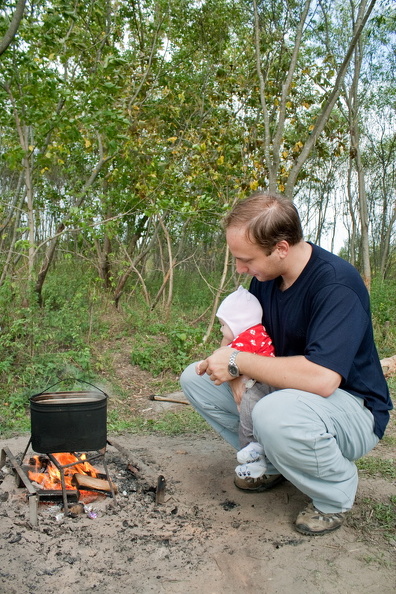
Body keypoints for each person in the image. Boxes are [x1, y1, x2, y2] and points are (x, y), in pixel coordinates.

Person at [180, 191, 392, 536]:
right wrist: (233, 368)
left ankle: (335, 492)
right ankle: (272, 463)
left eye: (246, 259)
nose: (240, 268)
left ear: (281, 248)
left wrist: (238, 361)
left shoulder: (336, 284)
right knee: (196, 377)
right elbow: (238, 339)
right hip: (287, 393)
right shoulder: (265, 279)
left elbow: (323, 379)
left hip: (354, 409)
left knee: (272, 412)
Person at [196, 285, 275, 480]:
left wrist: (205, 364)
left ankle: (252, 451)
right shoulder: (250, 334)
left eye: (224, 325)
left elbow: (222, 357)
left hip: (263, 384)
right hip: (259, 380)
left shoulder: (246, 339)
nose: (221, 329)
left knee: (248, 409)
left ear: (238, 323)